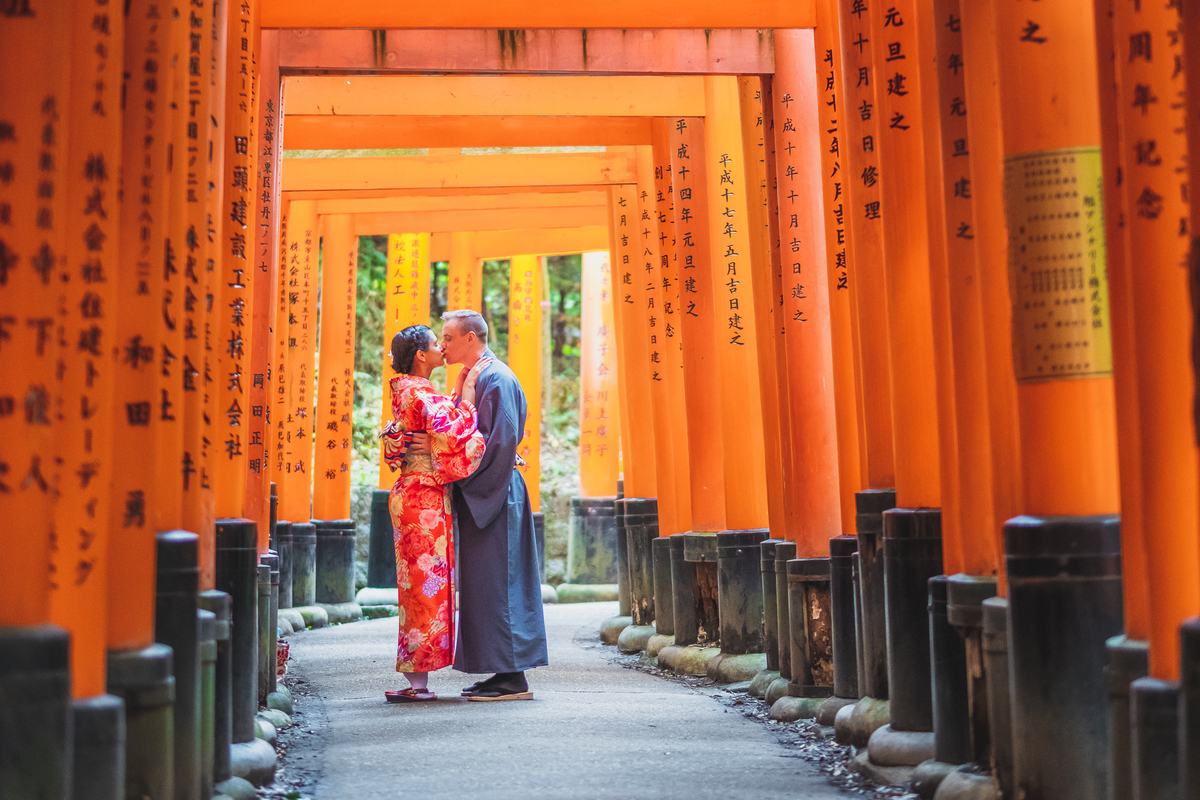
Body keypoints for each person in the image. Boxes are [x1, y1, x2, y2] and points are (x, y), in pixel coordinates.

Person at [413, 309, 548, 702]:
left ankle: (512, 676)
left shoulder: (494, 377)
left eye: (449, 338)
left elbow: (500, 440)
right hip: (484, 490)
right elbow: (464, 432)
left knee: (501, 581)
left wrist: (443, 461)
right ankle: (501, 670)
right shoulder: (477, 377)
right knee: (485, 584)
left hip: (494, 490)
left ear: (471, 338)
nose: (443, 345)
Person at [378, 325, 489, 703]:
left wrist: (457, 389)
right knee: (427, 589)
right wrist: (470, 397)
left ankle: (418, 680)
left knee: (419, 589)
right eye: (434, 344)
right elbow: (455, 433)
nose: (441, 348)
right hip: (422, 501)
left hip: (412, 493)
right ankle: (418, 681)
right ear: (421, 356)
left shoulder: (408, 390)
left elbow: (427, 430)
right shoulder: (420, 392)